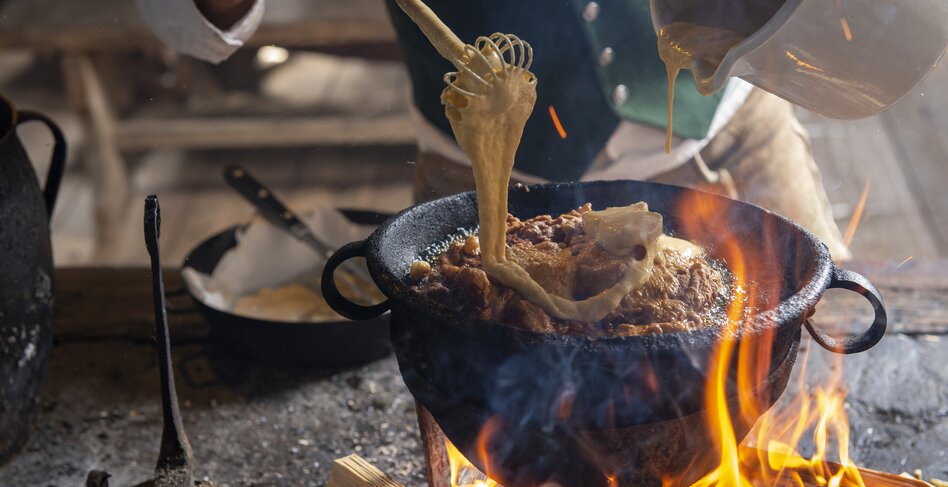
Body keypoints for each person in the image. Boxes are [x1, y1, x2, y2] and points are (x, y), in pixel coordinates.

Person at [137, 0, 850, 260]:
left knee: (824, 372)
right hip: (487, 194)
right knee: (531, 449)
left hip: (728, 128)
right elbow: (199, 22)